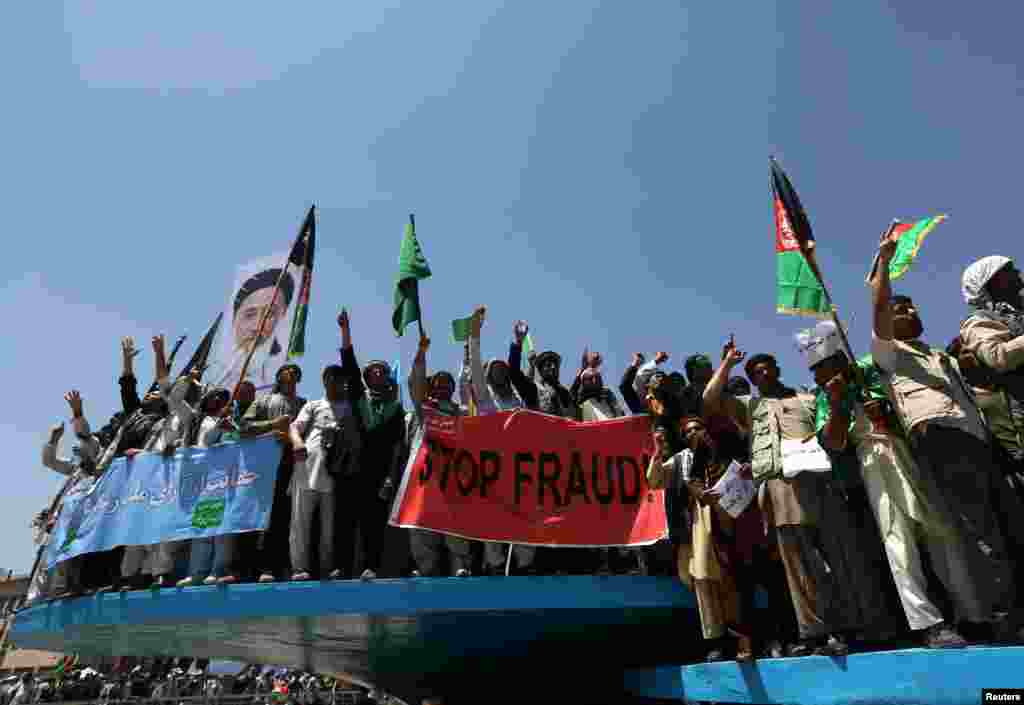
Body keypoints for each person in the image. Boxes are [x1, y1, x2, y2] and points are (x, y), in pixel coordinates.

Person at [871, 233, 1020, 641]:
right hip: (941, 440)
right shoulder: (890, 354)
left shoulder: (940, 356)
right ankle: (1006, 622)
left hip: (980, 441)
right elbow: (880, 308)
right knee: (982, 532)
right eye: (902, 307)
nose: (910, 310)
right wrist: (884, 261)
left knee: (1011, 525)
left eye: (913, 305)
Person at [814, 345, 974, 649]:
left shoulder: (871, 371)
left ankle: (970, 615)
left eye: (827, 368)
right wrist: (837, 402)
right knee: (898, 540)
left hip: (912, 452)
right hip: (873, 460)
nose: (823, 378)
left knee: (944, 534)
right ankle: (930, 624)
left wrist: (884, 411)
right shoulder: (825, 397)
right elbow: (834, 442)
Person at [743, 341, 897, 654]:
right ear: (752, 381)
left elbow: (833, 432)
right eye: (756, 372)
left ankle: (855, 627)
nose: (765, 373)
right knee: (800, 564)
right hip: (781, 486)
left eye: (768, 367)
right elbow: (709, 400)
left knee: (840, 555)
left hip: (821, 481)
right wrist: (727, 364)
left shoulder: (808, 398)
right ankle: (816, 633)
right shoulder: (750, 407)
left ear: (779, 369)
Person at [467, 309, 537, 576]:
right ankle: (495, 564)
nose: (499, 372)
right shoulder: (486, 401)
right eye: (493, 369)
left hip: (520, 466)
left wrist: (517, 343)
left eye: (503, 369)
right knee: (493, 517)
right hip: (492, 466)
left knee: (523, 517)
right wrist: (475, 335)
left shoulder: (518, 400)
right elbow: (474, 367)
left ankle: (524, 564)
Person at [339, 310, 407, 580]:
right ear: (366, 377)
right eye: (372, 370)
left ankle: (372, 567)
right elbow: (348, 363)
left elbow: (396, 446)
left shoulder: (395, 409)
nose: (377, 372)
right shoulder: (358, 396)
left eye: (382, 370)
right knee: (346, 519)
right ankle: (342, 568)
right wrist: (345, 330)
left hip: (380, 472)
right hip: (352, 466)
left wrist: (391, 476)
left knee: (374, 521)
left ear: (387, 377)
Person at [407, 334, 475, 578]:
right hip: (425, 472)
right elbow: (414, 382)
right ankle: (427, 569)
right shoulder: (424, 407)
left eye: (447, 383)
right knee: (421, 521)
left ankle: (460, 565)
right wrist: (421, 352)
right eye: (437, 382)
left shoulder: (462, 411)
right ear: (431, 387)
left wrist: (469, 352)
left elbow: (471, 384)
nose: (442, 385)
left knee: (454, 520)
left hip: (453, 472)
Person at [288, 360, 357, 581]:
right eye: (330, 378)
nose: (335, 382)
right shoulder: (313, 405)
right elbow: (294, 427)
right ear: (324, 381)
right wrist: (297, 443)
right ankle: (299, 568)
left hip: (337, 473)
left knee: (331, 526)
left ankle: (327, 568)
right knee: (300, 522)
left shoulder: (352, 407)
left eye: (339, 378)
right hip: (307, 468)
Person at [240, 363, 306, 582]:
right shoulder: (263, 401)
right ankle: (257, 568)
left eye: (295, 374)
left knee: (286, 517)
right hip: (262, 467)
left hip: (292, 467)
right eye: (287, 372)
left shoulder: (303, 404)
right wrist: (272, 425)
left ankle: (282, 566)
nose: (291, 376)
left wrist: (290, 438)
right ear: (278, 377)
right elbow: (244, 427)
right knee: (259, 518)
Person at [40, 391, 103, 599]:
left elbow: (85, 435)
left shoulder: (99, 465)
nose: (79, 452)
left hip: (88, 513)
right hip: (67, 516)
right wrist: (53, 439)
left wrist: (78, 412)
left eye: (82, 450)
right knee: (60, 551)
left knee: (80, 551)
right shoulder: (75, 470)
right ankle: (59, 589)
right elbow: (50, 462)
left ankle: (76, 586)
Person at [213, 267, 296, 388]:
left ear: (283, 316)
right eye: (250, 314)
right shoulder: (216, 372)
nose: (257, 326)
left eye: (270, 314)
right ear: (234, 318)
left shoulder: (279, 374)